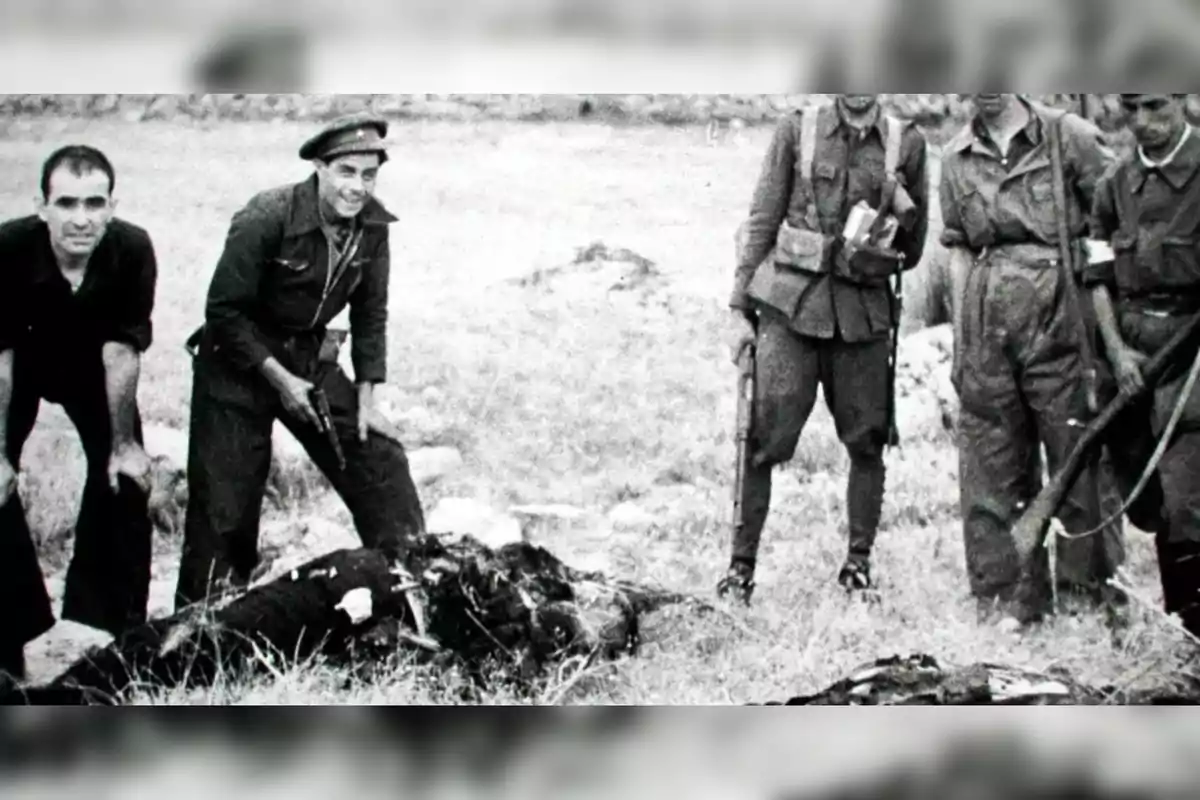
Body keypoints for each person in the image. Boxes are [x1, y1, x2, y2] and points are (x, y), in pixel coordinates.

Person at [174, 113, 426, 610]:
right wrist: (280, 381)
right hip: (236, 363)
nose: (358, 187)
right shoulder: (267, 215)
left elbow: (371, 312)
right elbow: (223, 311)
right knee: (226, 508)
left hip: (308, 357)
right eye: (346, 172)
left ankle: (408, 589)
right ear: (319, 167)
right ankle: (202, 630)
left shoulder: (373, 227)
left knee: (380, 458)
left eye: (369, 174)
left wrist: (368, 396)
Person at [719, 94, 929, 603]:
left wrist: (879, 241)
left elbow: (914, 248)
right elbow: (762, 220)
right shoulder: (798, 130)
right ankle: (740, 570)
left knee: (867, 440)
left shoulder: (908, 143)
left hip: (861, 318)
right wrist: (738, 310)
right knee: (763, 439)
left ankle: (858, 567)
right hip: (791, 309)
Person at [938, 93, 1125, 622]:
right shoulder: (954, 158)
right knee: (989, 465)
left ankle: (1091, 601)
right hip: (987, 327)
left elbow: (1110, 232)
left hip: (1062, 321)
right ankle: (1007, 604)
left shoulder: (1072, 138)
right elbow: (957, 248)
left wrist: (1107, 334)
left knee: (1078, 457)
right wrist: (961, 341)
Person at [0, 145, 157, 681]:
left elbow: (121, 351)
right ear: (41, 206)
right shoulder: (7, 247)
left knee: (128, 477)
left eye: (95, 203)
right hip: (17, 363)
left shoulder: (132, 249)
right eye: (66, 203)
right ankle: (8, 642)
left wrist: (122, 447)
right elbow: (0, 359)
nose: (81, 218)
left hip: (92, 364)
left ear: (113, 206)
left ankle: (121, 638)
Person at [1087, 93, 1200, 638]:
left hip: (1193, 358)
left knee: (1187, 501)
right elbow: (1098, 278)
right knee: (1152, 502)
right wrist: (1116, 353)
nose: (1143, 123)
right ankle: (1183, 624)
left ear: (1183, 97)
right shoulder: (1114, 185)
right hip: (1131, 362)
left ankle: (1191, 636)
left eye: (1155, 107)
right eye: (1132, 109)